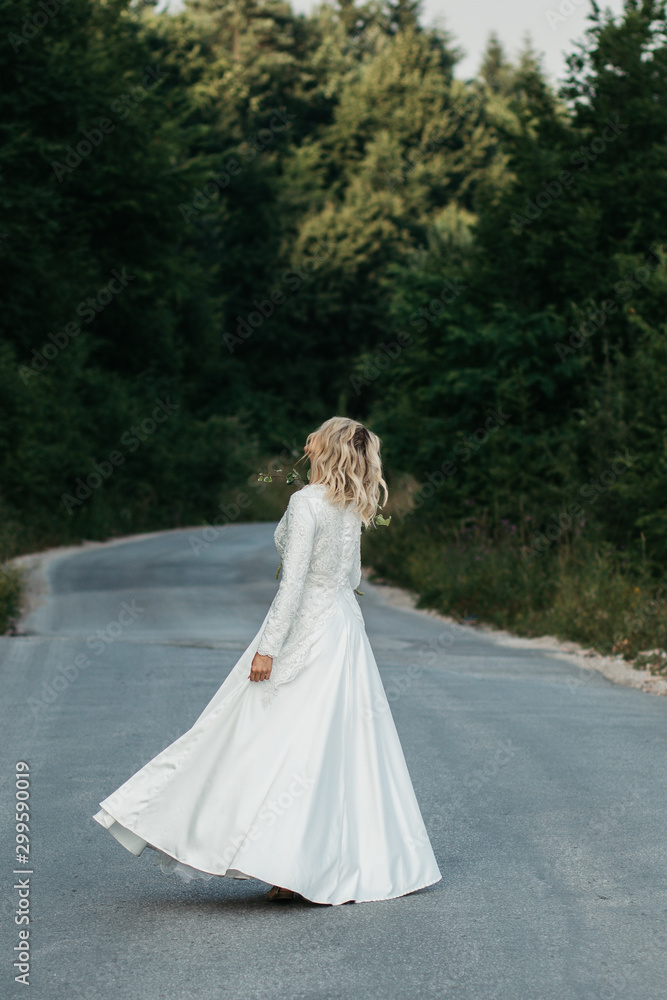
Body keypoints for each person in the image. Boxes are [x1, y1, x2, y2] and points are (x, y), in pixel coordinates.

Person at [93, 416, 442, 905]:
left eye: (317, 436)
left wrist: (268, 648)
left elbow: (293, 581)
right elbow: (352, 574)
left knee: (256, 734)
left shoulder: (305, 503)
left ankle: (277, 859)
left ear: (327, 447)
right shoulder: (352, 505)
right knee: (336, 748)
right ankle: (319, 863)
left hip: (307, 629)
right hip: (345, 628)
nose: (309, 440)